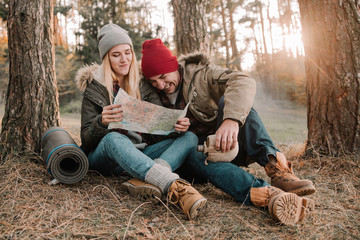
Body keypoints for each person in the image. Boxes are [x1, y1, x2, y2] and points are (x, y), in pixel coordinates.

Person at [128, 38, 316, 225]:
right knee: (194, 153)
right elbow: (150, 136)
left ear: (174, 66)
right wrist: (173, 130)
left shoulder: (201, 74)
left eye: (163, 77)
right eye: (153, 81)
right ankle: (268, 195)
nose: (160, 85)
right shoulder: (148, 94)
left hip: (225, 144)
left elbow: (243, 81)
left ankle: (279, 170)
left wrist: (231, 120)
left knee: (238, 105)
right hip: (192, 157)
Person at [75, 24, 207, 220]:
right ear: (106, 58)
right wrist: (101, 122)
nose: (124, 59)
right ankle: (174, 186)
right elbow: (86, 141)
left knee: (188, 137)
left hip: (141, 154)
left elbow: (156, 130)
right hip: (107, 157)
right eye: (116, 54)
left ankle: (143, 179)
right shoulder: (95, 88)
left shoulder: (143, 85)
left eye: (127, 52)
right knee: (114, 139)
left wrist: (175, 127)